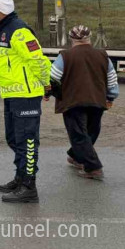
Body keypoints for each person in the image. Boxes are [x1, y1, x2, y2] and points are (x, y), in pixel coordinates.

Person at [0, 0, 51, 203]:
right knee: (13, 139)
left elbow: (38, 60)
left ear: (3, 10)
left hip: (26, 95)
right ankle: (20, 177)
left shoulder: (19, 31)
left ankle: (29, 187)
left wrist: (46, 83)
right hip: (12, 95)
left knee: (27, 142)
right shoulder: (5, 31)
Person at [49, 25, 120, 181]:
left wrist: (53, 94)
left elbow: (53, 78)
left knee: (79, 135)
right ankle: (75, 157)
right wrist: (111, 97)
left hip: (73, 101)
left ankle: (93, 167)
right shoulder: (102, 55)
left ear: (72, 39)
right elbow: (112, 79)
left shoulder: (65, 56)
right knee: (91, 132)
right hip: (97, 100)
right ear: (90, 38)